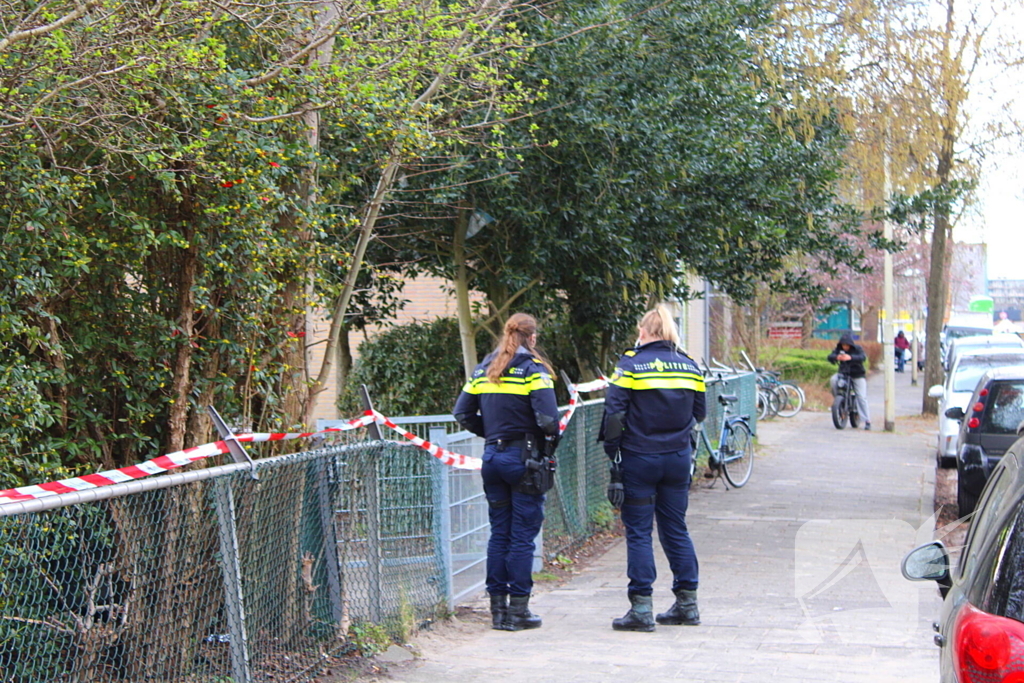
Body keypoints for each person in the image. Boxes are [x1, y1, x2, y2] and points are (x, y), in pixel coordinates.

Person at [599, 305, 706, 632]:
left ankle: (642, 609)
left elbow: (614, 414)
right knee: (676, 528)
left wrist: (612, 450)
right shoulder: (690, 365)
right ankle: (687, 605)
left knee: (639, 532)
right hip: (677, 459)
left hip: (639, 458)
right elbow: (699, 412)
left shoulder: (630, 365)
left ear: (644, 332)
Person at [452, 313, 560, 631]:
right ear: (533, 338)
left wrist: (492, 434)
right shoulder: (534, 370)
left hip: (492, 460)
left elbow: (462, 412)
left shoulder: (485, 367)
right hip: (524, 460)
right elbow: (548, 421)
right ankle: (519, 611)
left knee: (499, 533)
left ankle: (497, 610)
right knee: (523, 537)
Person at [828, 332, 871, 430]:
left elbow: (863, 357)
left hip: (857, 375)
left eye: (847, 345)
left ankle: (867, 420)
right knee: (833, 380)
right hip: (843, 374)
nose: (845, 347)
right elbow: (830, 356)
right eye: (843, 345)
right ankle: (839, 401)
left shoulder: (858, 349)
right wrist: (836, 357)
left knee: (861, 396)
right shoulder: (839, 350)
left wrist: (850, 358)